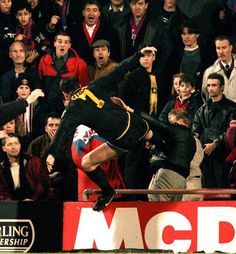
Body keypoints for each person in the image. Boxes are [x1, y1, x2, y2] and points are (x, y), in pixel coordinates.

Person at [46, 46, 158, 211]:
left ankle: (107, 192)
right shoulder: (94, 86)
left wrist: (51, 153)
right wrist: (138, 55)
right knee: (154, 138)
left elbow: (61, 135)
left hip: (123, 140)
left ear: (65, 95)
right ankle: (166, 143)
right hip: (137, 123)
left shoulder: (73, 109)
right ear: (80, 84)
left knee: (87, 163)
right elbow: (119, 71)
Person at [192, 72, 236, 188]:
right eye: (209, 85)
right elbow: (195, 131)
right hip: (204, 157)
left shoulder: (232, 108)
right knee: (206, 193)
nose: (210, 88)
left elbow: (230, 132)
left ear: (222, 87)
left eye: (214, 85)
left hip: (223, 157)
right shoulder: (201, 109)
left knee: (223, 192)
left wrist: (215, 143)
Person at [145, 109, 196, 201]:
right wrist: (152, 138)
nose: (169, 123)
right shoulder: (192, 141)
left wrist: (130, 109)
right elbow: (169, 149)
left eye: (171, 121)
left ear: (180, 121)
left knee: (156, 207)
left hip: (167, 175)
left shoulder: (177, 130)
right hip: (181, 179)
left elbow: (156, 123)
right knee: (172, 212)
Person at [38, 31, 89, 119]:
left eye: (66, 42)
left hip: (70, 110)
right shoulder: (43, 61)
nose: (62, 45)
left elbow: (84, 89)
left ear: (69, 45)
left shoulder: (80, 64)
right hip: (47, 110)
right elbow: (40, 85)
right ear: (54, 43)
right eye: (60, 41)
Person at [27, 113, 77, 200]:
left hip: (63, 177)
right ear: (46, 128)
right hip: (41, 178)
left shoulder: (70, 141)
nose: (54, 128)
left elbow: (71, 164)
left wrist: (57, 144)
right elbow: (30, 164)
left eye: (57, 125)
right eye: (51, 125)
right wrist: (45, 175)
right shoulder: (36, 143)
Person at [0, 133, 50, 200]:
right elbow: (2, 191)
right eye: (9, 144)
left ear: (20, 146)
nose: (13, 147)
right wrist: (11, 203)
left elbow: (42, 183)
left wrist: (33, 199)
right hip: (11, 205)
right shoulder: (1, 167)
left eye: (16, 143)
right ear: (4, 148)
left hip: (35, 202)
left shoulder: (33, 162)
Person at [71, 0, 121, 65]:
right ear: (83, 13)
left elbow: (115, 56)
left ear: (99, 13)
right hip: (79, 70)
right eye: (88, 10)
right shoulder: (73, 30)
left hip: (103, 71)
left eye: (94, 10)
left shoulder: (111, 31)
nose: (91, 13)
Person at [202, 35, 236, 103]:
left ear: (231, 48)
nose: (221, 52)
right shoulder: (209, 72)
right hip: (217, 112)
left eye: (224, 48)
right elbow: (205, 96)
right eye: (218, 48)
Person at [13, 1, 49, 66]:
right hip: (19, 64)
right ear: (16, 16)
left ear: (30, 15)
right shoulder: (16, 28)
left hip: (36, 64)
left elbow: (46, 46)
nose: (23, 17)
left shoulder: (35, 28)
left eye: (25, 14)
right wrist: (15, 40)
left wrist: (33, 56)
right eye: (20, 14)